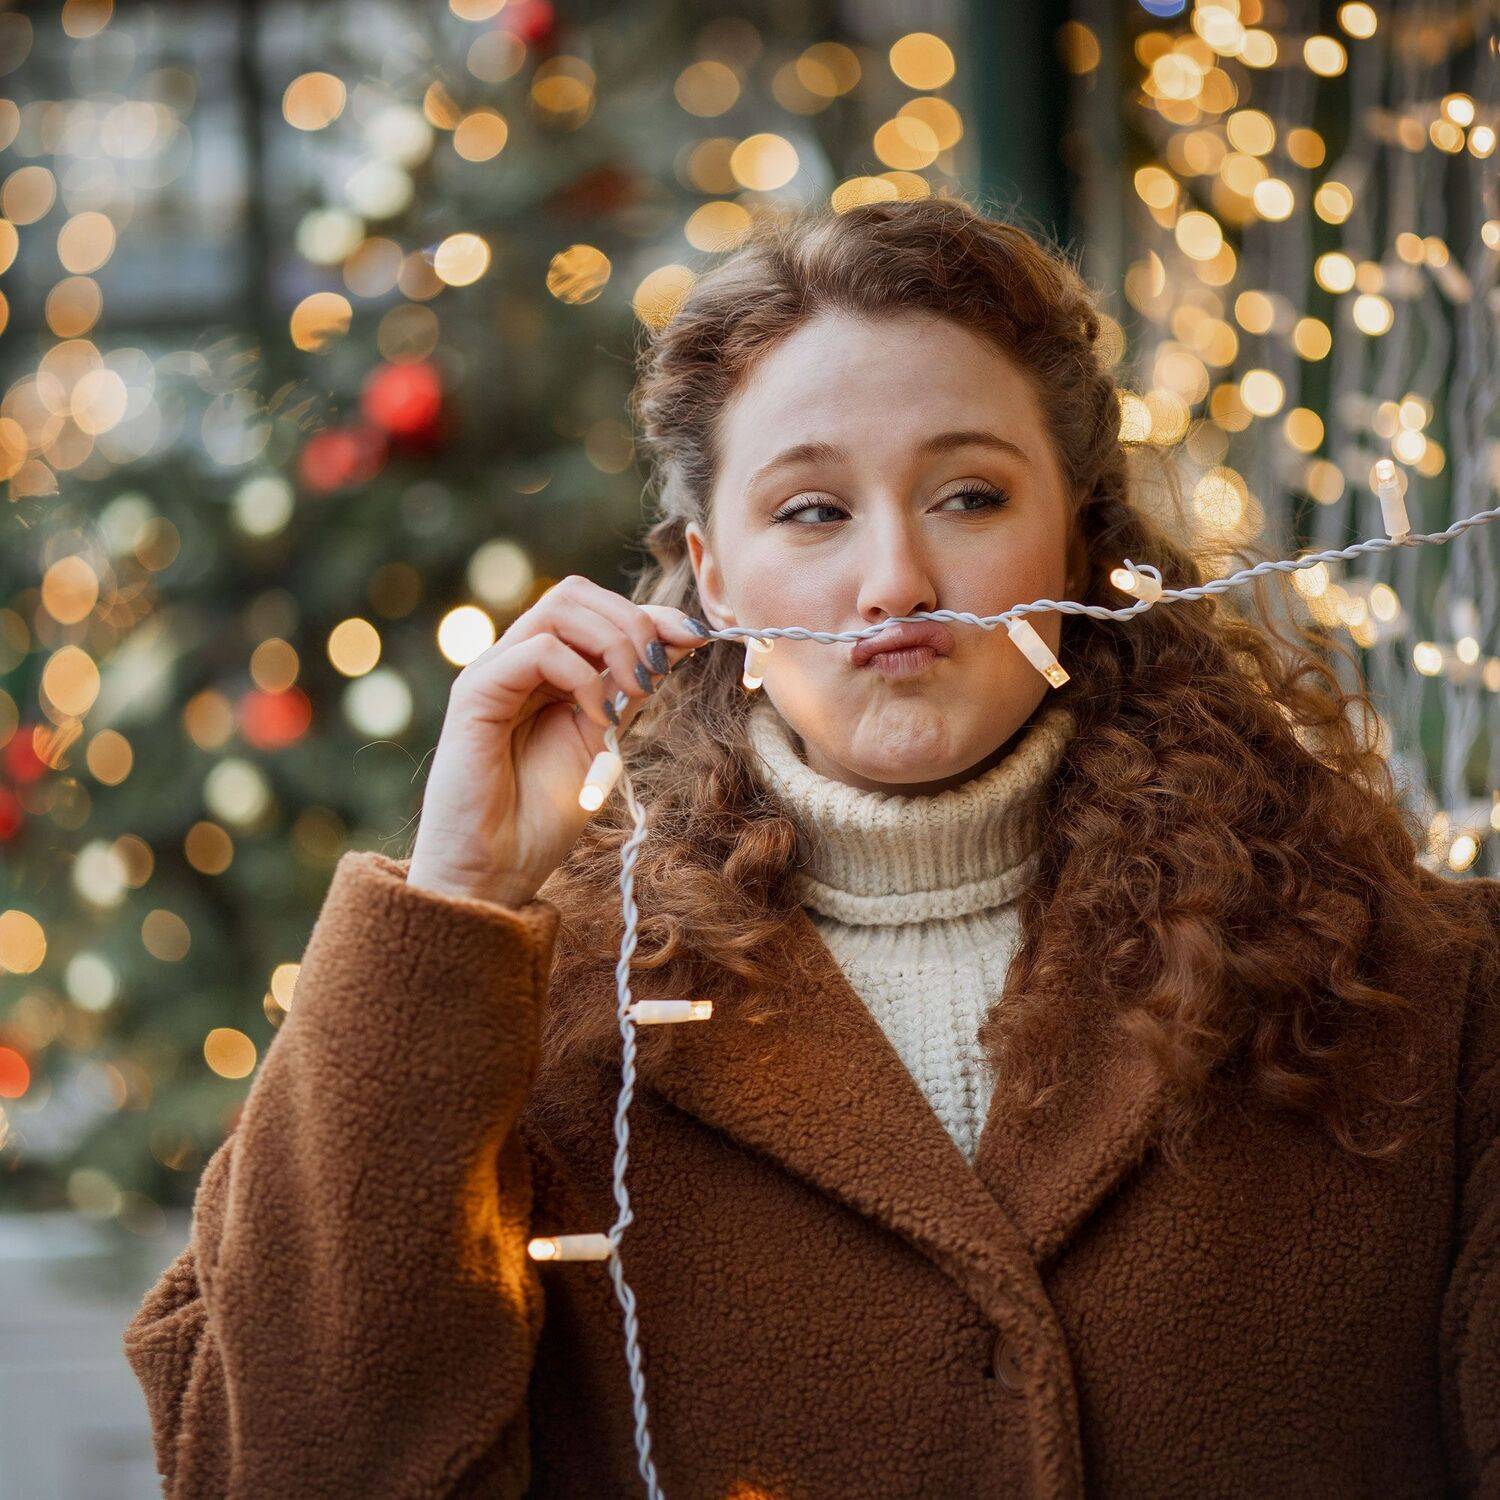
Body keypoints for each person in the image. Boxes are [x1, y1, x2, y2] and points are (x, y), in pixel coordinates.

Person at [123, 197, 1499, 1498]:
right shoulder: (541, 1027)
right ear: (713, 575)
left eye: (970, 496)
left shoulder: (1422, 992)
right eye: (813, 511)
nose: (896, 580)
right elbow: (277, 1463)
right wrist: (456, 900)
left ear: (1081, 545)